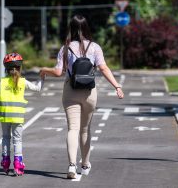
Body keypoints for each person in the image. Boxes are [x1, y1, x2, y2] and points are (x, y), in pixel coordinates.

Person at [40, 14, 124, 179]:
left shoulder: (66, 48)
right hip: (89, 93)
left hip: (71, 91)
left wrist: (44, 70)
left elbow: (58, 72)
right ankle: (85, 164)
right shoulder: (94, 47)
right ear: (86, 28)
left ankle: (71, 165)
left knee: (73, 128)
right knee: (85, 130)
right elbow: (104, 68)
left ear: (70, 28)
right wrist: (117, 86)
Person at [0, 52, 44, 176]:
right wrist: (42, 77)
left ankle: (5, 162)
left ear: (6, 69)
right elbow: (38, 88)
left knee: (6, 138)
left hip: (4, 115)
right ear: (20, 68)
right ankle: (18, 164)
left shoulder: (2, 82)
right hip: (17, 116)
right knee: (18, 140)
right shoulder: (23, 81)